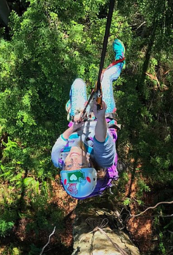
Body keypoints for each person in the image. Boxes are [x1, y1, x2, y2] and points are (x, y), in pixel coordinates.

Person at [51, 39, 125, 199]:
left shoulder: (58, 158)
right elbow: (100, 138)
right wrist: (98, 115)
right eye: (81, 164)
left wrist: (74, 126)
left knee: (77, 84)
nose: (73, 159)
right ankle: (120, 62)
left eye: (69, 165)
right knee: (104, 78)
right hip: (103, 119)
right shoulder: (104, 161)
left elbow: (62, 139)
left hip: (80, 123)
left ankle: (71, 106)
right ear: (91, 164)